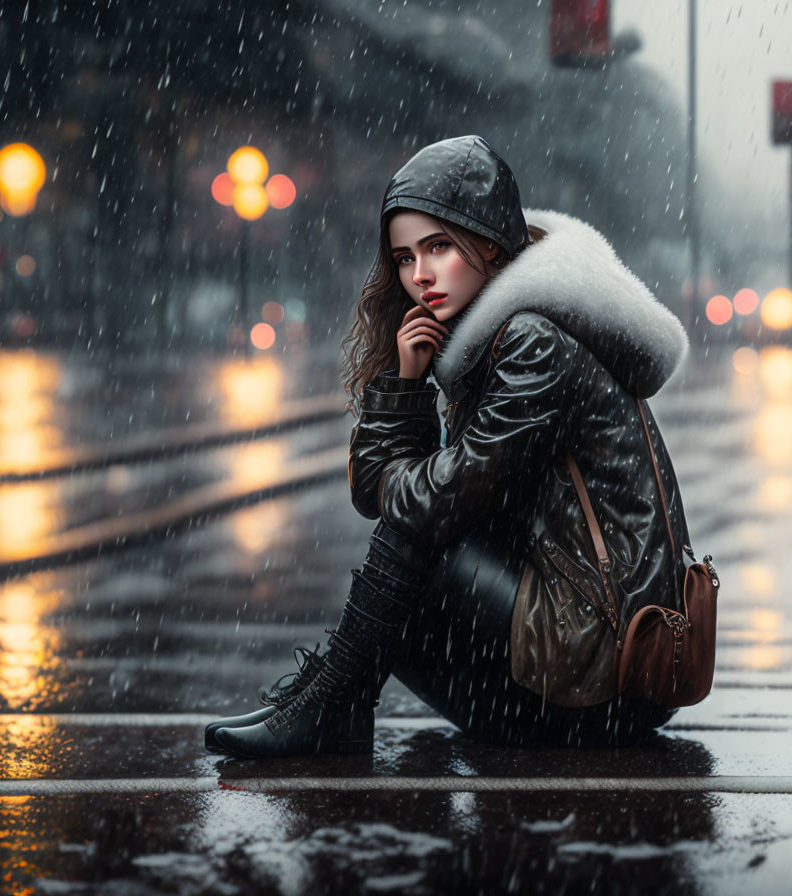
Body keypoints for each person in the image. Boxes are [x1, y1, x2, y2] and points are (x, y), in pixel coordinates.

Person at [206, 135, 692, 759]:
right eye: (405, 257)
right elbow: (382, 493)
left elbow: (425, 507)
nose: (420, 276)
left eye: (438, 248)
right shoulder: (488, 338)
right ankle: (331, 700)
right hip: (590, 655)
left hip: (615, 662)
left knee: (415, 533)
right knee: (411, 532)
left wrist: (400, 483)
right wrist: (406, 385)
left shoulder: (532, 341)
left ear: (488, 246)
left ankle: (332, 703)